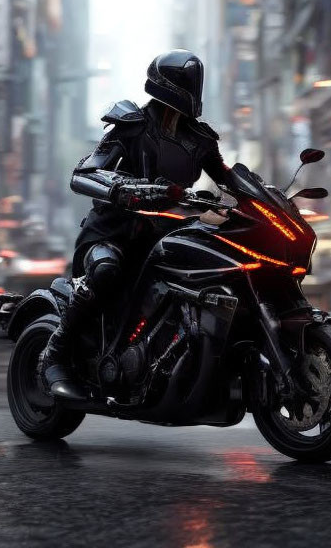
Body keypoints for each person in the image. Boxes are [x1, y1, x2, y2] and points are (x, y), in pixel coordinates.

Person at [41, 49, 229, 400]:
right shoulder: (131, 125)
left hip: (164, 239)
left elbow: (230, 180)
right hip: (112, 234)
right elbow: (84, 173)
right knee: (106, 271)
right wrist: (123, 189)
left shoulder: (200, 141)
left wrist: (269, 196)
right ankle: (54, 354)